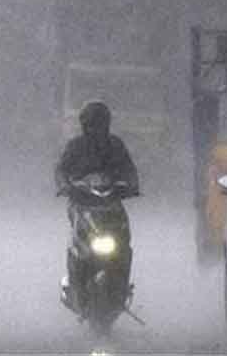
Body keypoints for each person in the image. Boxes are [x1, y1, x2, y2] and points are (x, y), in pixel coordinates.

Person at [55, 100, 139, 313]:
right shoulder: (75, 146)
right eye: (92, 124)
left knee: (124, 238)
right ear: (84, 125)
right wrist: (65, 186)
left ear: (107, 124)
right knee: (77, 240)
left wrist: (131, 185)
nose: (96, 129)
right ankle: (76, 283)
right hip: (82, 203)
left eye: (100, 124)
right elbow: (61, 169)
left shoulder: (116, 146)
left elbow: (129, 169)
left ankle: (121, 285)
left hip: (111, 203)